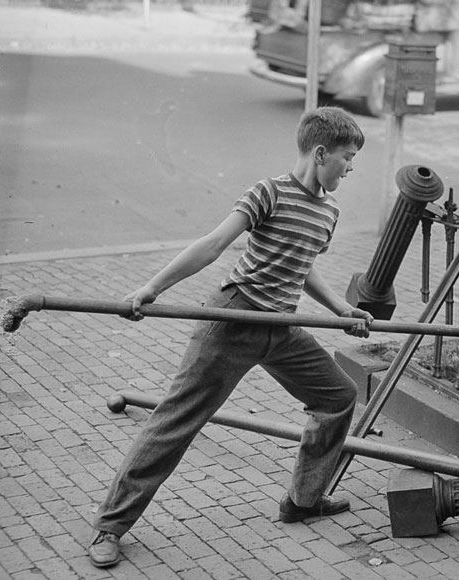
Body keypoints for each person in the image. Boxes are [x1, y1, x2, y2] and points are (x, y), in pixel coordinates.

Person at [88, 106, 374, 568]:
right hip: (234, 318)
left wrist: (341, 309)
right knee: (177, 421)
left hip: (281, 328)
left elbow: (303, 267)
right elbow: (213, 244)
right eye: (347, 156)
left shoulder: (329, 211)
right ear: (320, 153)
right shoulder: (269, 192)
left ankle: (303, 501)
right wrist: (152, 288)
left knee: (338, 395)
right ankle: (110, 526)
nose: (351, 166)